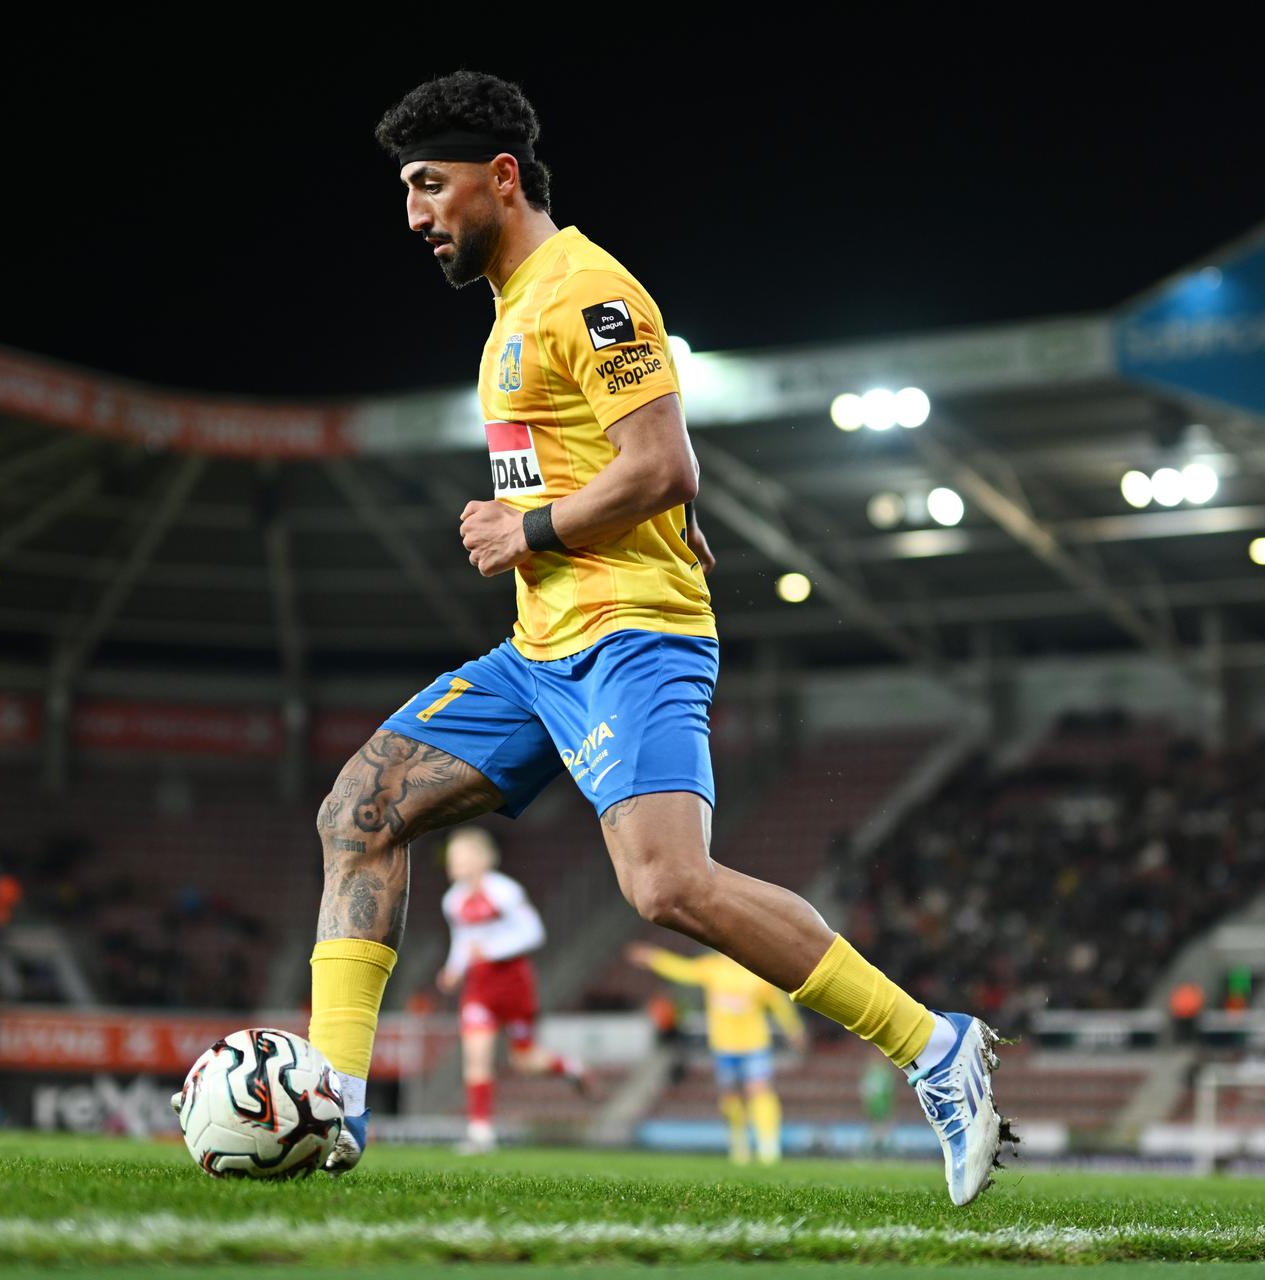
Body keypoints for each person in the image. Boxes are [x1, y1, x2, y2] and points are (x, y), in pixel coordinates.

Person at [303, 70, 1012, 1205]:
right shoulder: (510, 309)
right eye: (404, 192)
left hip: (631, 639)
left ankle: (937, 1047)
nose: (415, 214)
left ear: (500, 177)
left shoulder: (589, 292)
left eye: (429, 186)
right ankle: (329, 1100)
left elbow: (663, 462)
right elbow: (641, 472)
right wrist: (633, 522)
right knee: (362, 807)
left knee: (668, 884)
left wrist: (527, 526)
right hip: (540, 650)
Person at [437, 826, 586, 1153]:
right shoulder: (453, 901)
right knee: (476, 1056)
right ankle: (480, 1132)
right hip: (479, 988)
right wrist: (453, 969)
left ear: (480, 859)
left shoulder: (505, 892)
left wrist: (491, 952)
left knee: (525, 1060)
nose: (452, 864)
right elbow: (463, 941)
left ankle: (570, 1067)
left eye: (458, 857)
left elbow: (533, 933)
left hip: (514, 984)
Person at [630, 943, 806, 1164]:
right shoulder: (713, 968)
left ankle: (768, 1147)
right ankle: (739, 1145)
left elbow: (779, 1004)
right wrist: (654, 958)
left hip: (754, 1044)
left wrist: (793, 1028)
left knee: (759, 1090)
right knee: (731, 1098)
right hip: (724, 1045)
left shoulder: (758, 973)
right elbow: (683, 970)